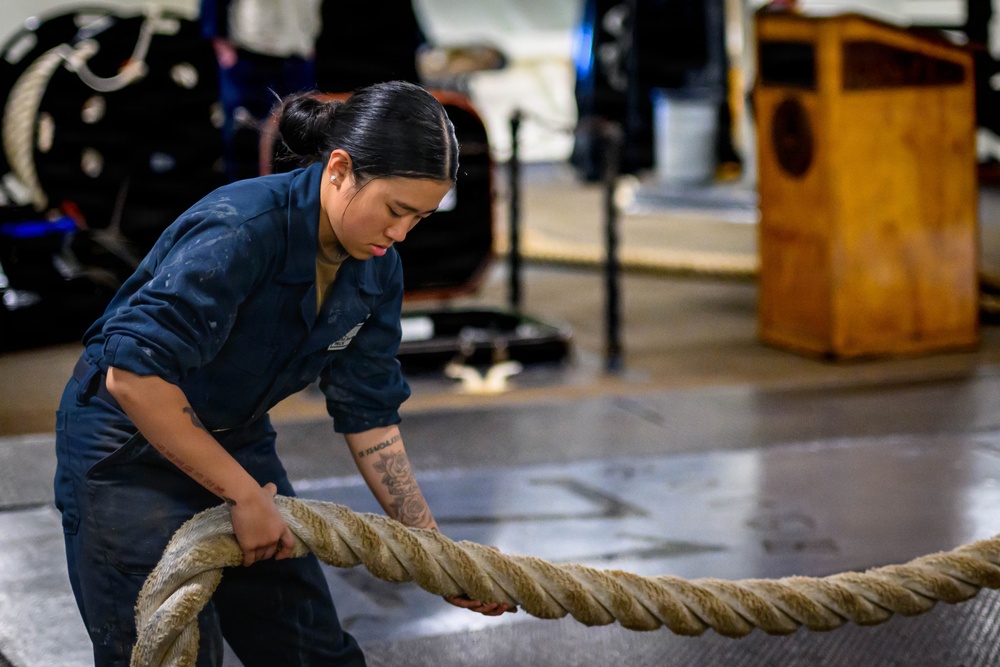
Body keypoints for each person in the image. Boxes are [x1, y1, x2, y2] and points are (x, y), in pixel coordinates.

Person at [53, 80, 515, 667]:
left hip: (234, 435)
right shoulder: (241, 229)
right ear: (341, 169)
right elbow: (133, 376)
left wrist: (433, 550)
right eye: (396, 210)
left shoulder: (377, 268)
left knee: (312, 652)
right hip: (126, 450)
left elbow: (368, 414)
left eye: (419, 218)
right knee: (173, 654)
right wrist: (245, 495)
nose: (400, 234)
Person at [199, 0, 320, 182]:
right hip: (249, 51)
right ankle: (242, 205)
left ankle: (291, 204)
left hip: (297, 52)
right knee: (243, 140)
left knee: (299, 139)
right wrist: (219, 41)